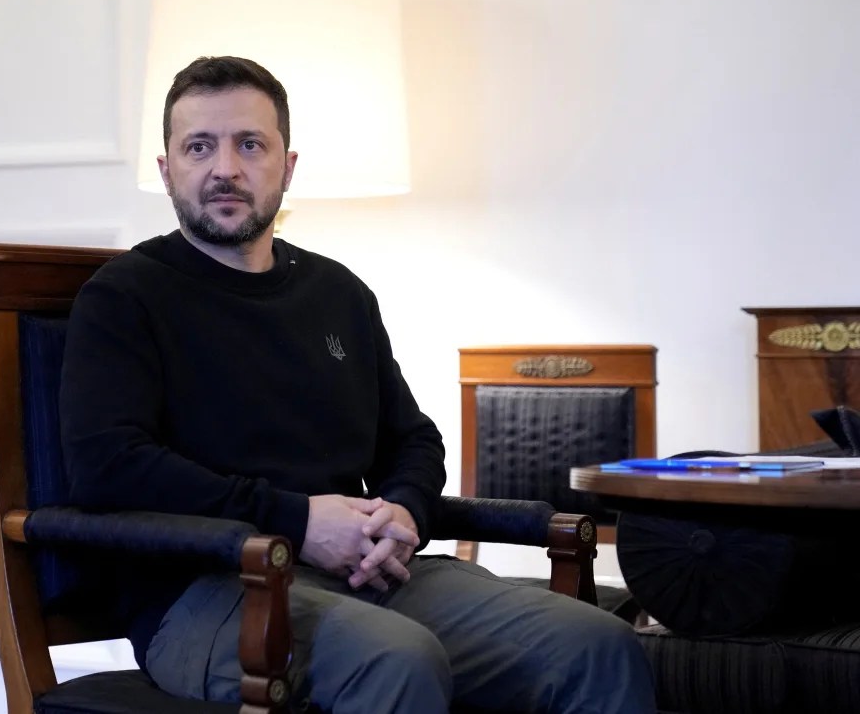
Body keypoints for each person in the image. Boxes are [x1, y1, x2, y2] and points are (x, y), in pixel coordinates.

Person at [59, 55, 655, 713]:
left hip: (366, 575)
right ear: (167, 168)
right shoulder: (124, 297)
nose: (224, 167)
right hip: (208, 592)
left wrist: (402, 510)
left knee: (597, 643)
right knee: (398, 659)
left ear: (287, 167)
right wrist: (300, 520)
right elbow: (108, 467)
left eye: (249, 144)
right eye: (199, 145)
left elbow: (413, 439)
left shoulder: (337, 293)